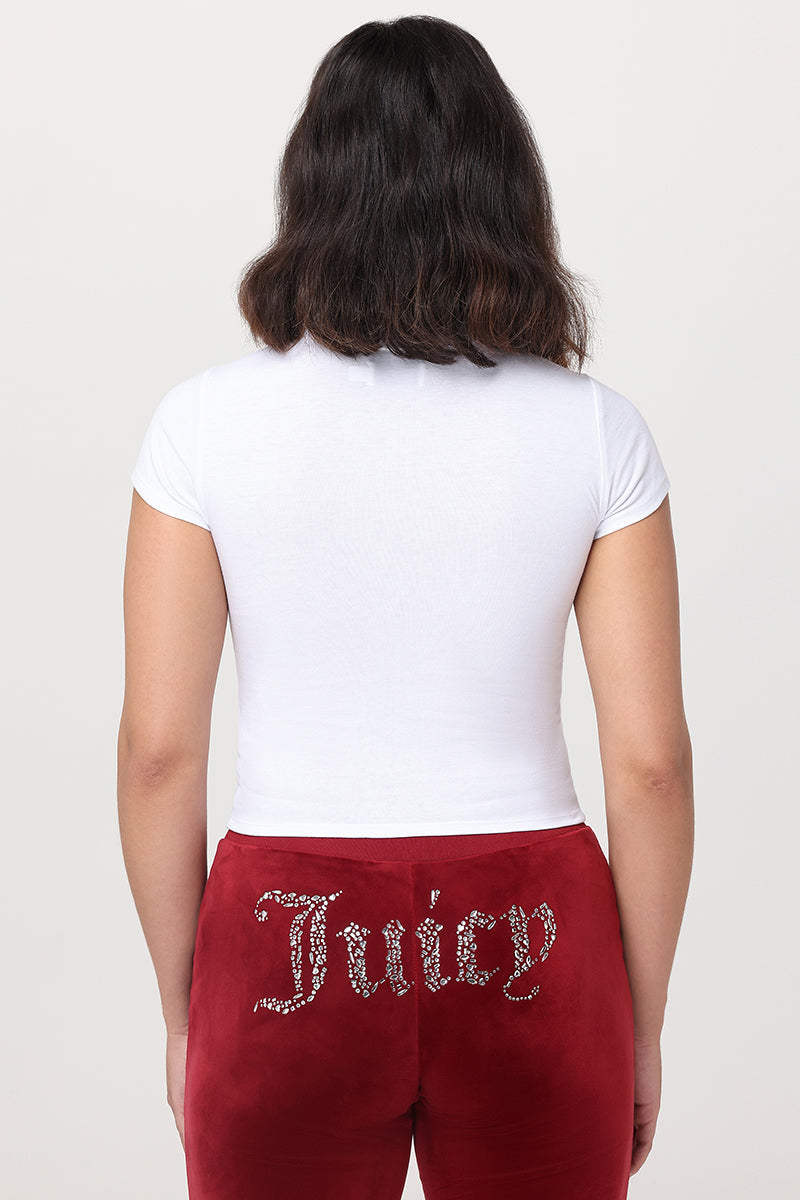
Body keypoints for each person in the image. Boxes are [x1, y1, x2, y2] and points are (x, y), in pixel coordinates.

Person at [118, 15, 694, 1200]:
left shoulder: (200, 428)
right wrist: (635, 1020)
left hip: (286, 934)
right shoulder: (595, 431)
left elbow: (159, 752)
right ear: (505, 187)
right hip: (530, 936)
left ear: (311, 185)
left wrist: (187, 1011)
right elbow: (648, 764)